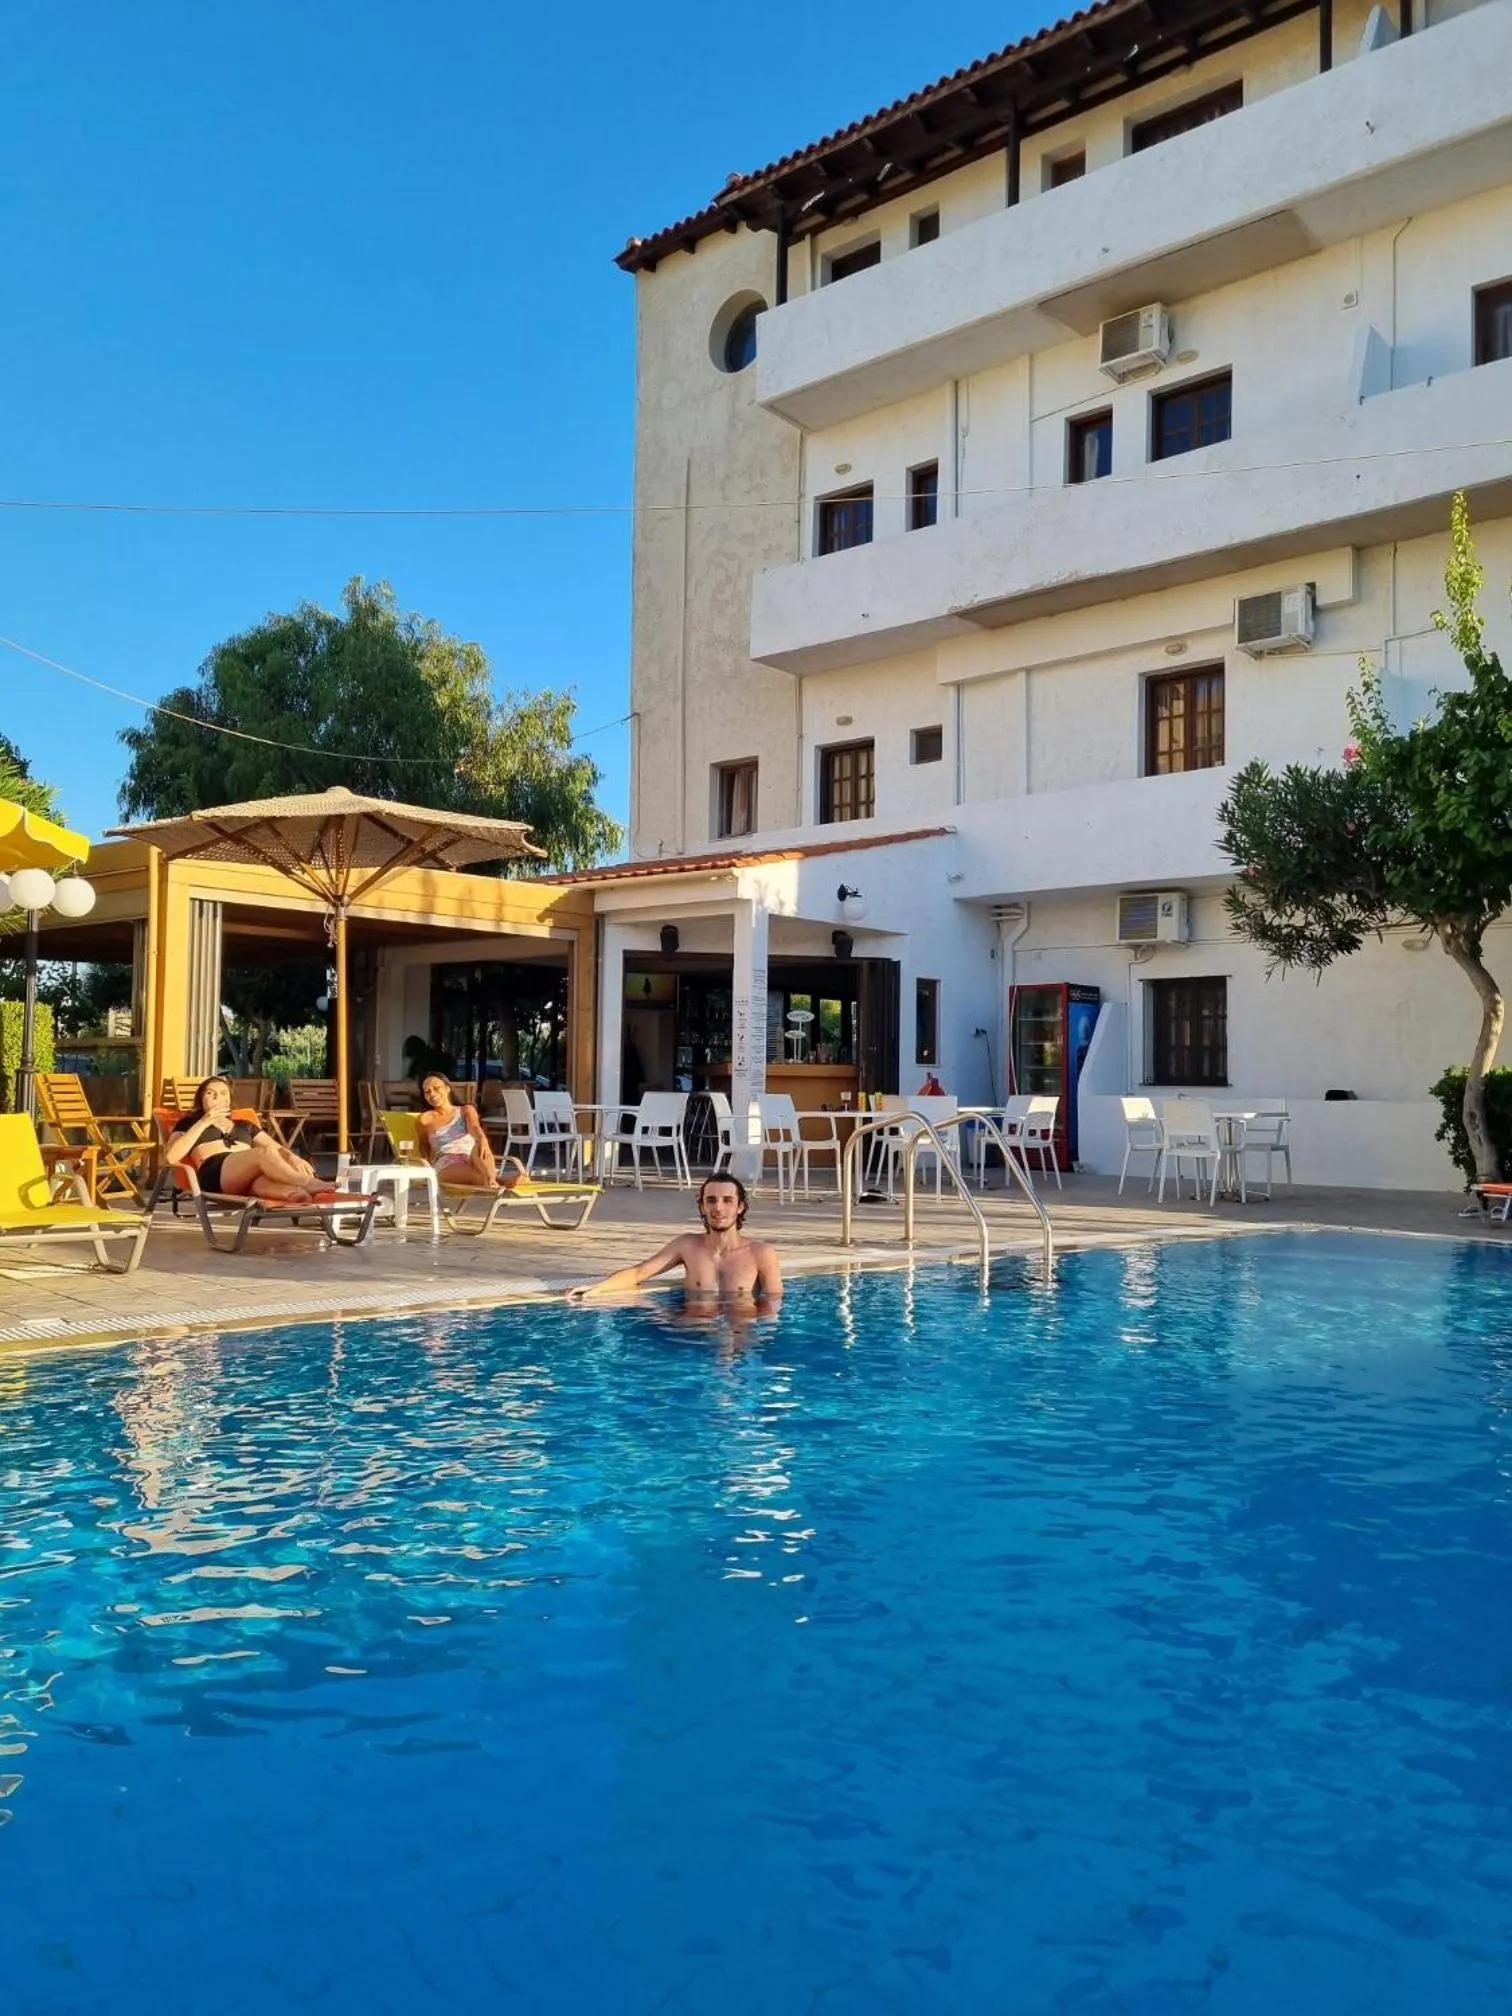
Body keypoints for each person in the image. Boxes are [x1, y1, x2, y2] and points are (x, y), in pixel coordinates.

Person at [567, 1174, 782, 1304]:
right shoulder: (688, 1245)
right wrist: (598, 1289)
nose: (718, 1208)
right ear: (702, 1206)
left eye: (727, 1200)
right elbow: (639, 1272)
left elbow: (773, 1305)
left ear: (740, 1206)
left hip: (739, 1339)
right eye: (711, 1200)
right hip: (690, 1336)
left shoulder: (760, 1254)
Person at [165, 1075, 332, 1203]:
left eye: (223, 1093)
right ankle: (307, 1183)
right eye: (210, 1093)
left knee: (263, 1181)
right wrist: (204, 1121)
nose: (217, 1097)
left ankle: (295, 1194)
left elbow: (277, 1147)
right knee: (262, 1153)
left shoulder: (245, 1124)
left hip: (245, 1177)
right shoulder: (189, 1122)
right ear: (201, 1099)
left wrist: (294, 1158)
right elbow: (171, 1156)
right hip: (214, 1173)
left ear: (229, 1099)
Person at [417, 1071, 526, 1190]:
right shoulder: (424, 1119)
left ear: (448, 1088)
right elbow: (423, 1145)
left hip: (473, 1157)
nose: (432, 1093)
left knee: (480, 1145)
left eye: (436, 1088)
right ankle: (499, 1181)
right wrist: (427, 1168)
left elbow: (474, 1127)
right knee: (476, 1174)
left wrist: (482, 1139)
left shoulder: (466, 1110)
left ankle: (491, 1181)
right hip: (447, 1162)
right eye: (427, 1091)